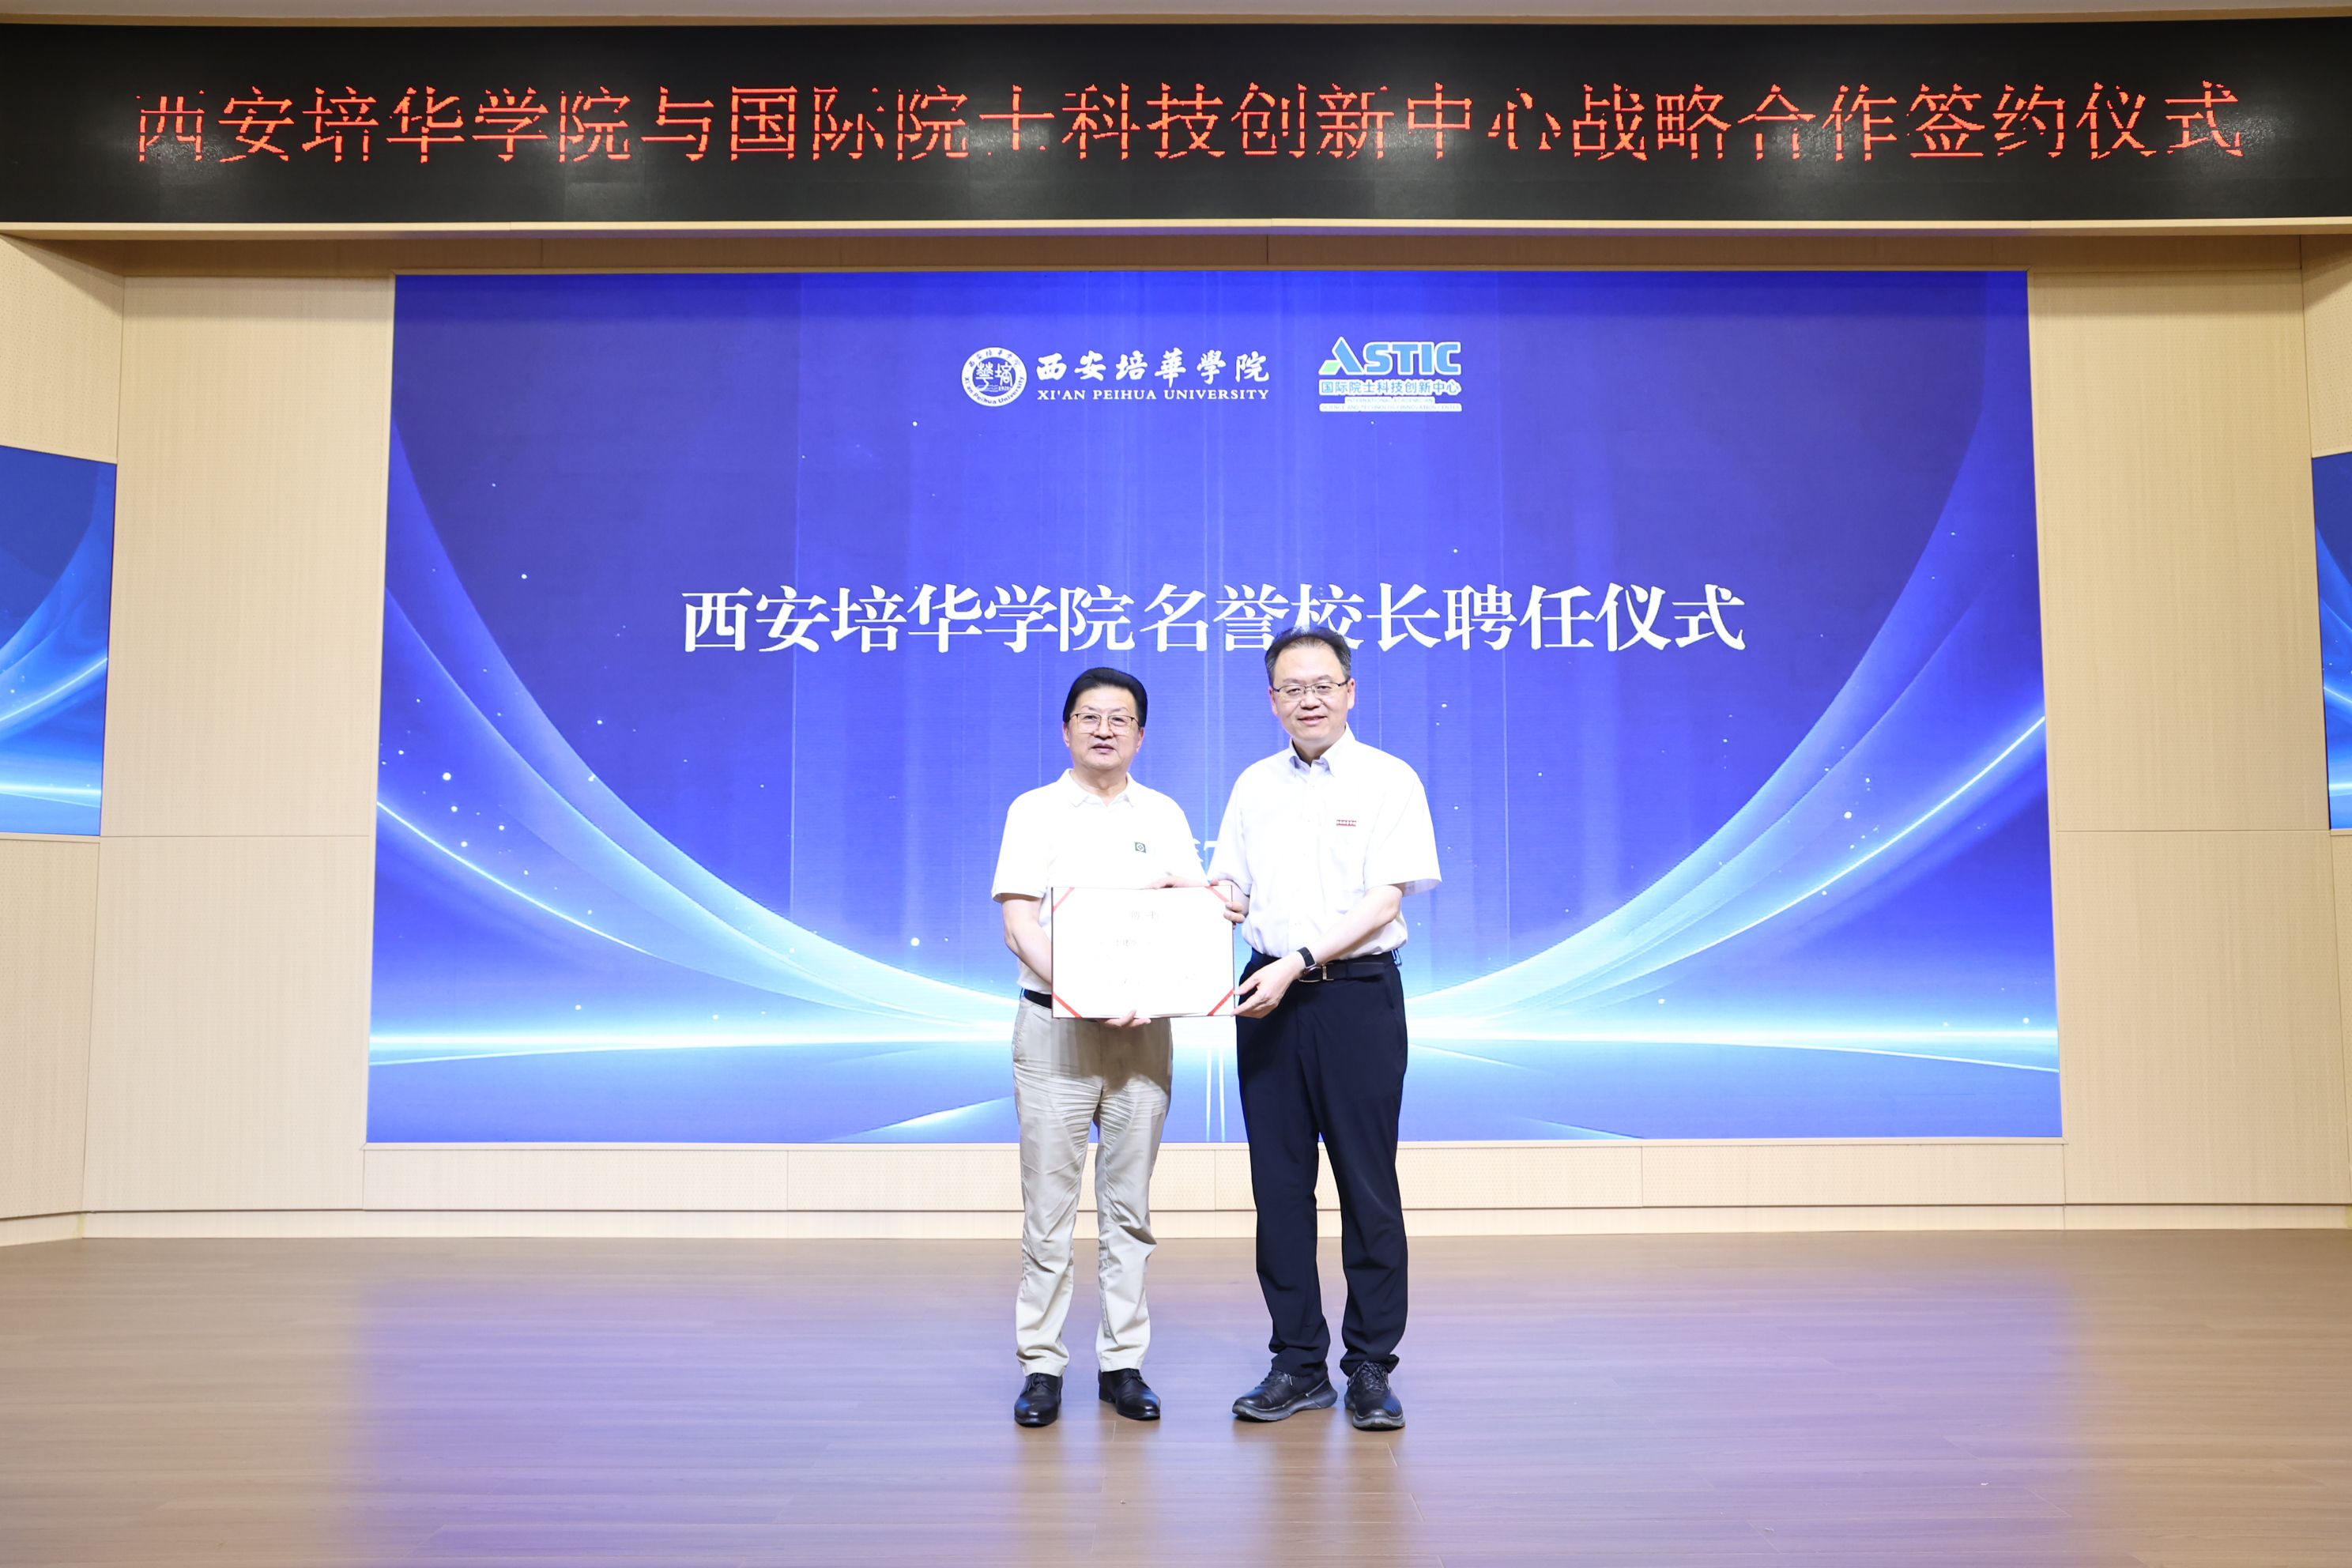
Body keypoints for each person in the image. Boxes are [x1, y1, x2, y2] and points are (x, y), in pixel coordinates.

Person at [1205, 627, 1442, 1432]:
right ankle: (1298, 1363)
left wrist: (1301, 959)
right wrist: (1202, 898)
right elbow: (1233, 885)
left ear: (1350, 691)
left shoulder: (1389, 780)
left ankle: (1370, 1365)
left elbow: (1385, 900)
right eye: (1291, 688)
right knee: (1278, 1188)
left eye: (1322, 685)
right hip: (1267, 997)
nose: (1308, 700)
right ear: (1272, 700)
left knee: (1367, 1185)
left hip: (1355, 997)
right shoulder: (1253, 785)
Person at [991, 667, 1207, 1429]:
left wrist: (1213, 906)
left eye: (1120, 718)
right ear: (1066, 729)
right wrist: (1090, 990)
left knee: (1129, 1208)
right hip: (1056, 1030)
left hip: (1142, 1034)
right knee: (1048, 1211)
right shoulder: (1034, 811)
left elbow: (1192, 913)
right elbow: (1019, 926)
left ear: (1141, 735)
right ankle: (1042, 1366)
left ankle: (1123, 1363)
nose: (1104, 729)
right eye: (1089, 716)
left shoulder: (1165, 813)